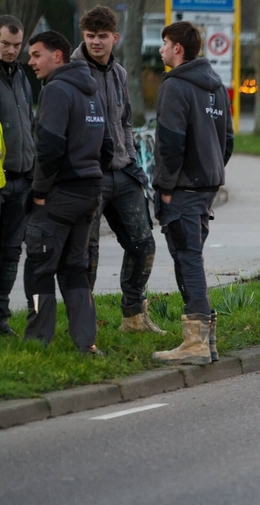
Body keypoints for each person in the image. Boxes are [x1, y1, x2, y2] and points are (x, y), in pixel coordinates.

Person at [71, 5, 165, 335]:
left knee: (143, 245)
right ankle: (83, 326)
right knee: (86, 256)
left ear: (115, 37)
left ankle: (134, 318)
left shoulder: (120, 73)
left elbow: (124, 121)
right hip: (88, 178)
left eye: (102, 37)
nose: (96, 42)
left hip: (122, 173)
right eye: (90, 36)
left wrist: (131, 161)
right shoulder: (71, 73)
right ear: (83, 36)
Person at [22, 30, 109, 353]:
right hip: (89, 193)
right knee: (75, 268)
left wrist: (40, 192)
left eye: (36, 54)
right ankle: (86, 343)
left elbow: (50, 147)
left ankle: (37, 342)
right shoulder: (92, 89)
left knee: (39, 266)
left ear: (57, 56)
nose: (30, 62)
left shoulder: (57, 90)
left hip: (58, 195)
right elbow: (109, 146)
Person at [151, 21, 232, 365]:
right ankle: (207, 342)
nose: (161, 50)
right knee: (191, 256)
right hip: (206, 185)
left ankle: (195, 343)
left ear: (178, 49)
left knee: (188, 258)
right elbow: (227, 140)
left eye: (164, 43)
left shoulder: (176, 86)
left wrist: (165, 187)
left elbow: (169, 142)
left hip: (182, 187)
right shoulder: (216, 87)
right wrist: (210, 170)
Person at [0, 15, 35, 336]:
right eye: (5, 44)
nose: (12, 50)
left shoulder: (22, 76)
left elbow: (29, 125)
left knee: (11, 252)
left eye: (16, 45)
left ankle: (1, 317)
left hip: (21, 179)